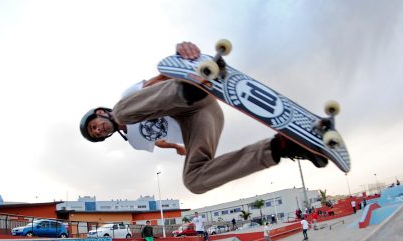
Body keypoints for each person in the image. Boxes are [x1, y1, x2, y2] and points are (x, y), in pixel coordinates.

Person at [79, 41, 328, 195]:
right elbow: (159, 142)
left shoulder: (126, 99)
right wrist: (178, 147)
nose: (99, 130)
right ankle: (281, 147)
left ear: (100, 113)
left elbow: (158, 80)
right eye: (97, 134)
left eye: (95, 126)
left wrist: (188, 61)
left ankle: (192, 86)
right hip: (202, 119)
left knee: (123, 111)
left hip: (188, 94)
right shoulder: (134, 143)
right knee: (194, 182)